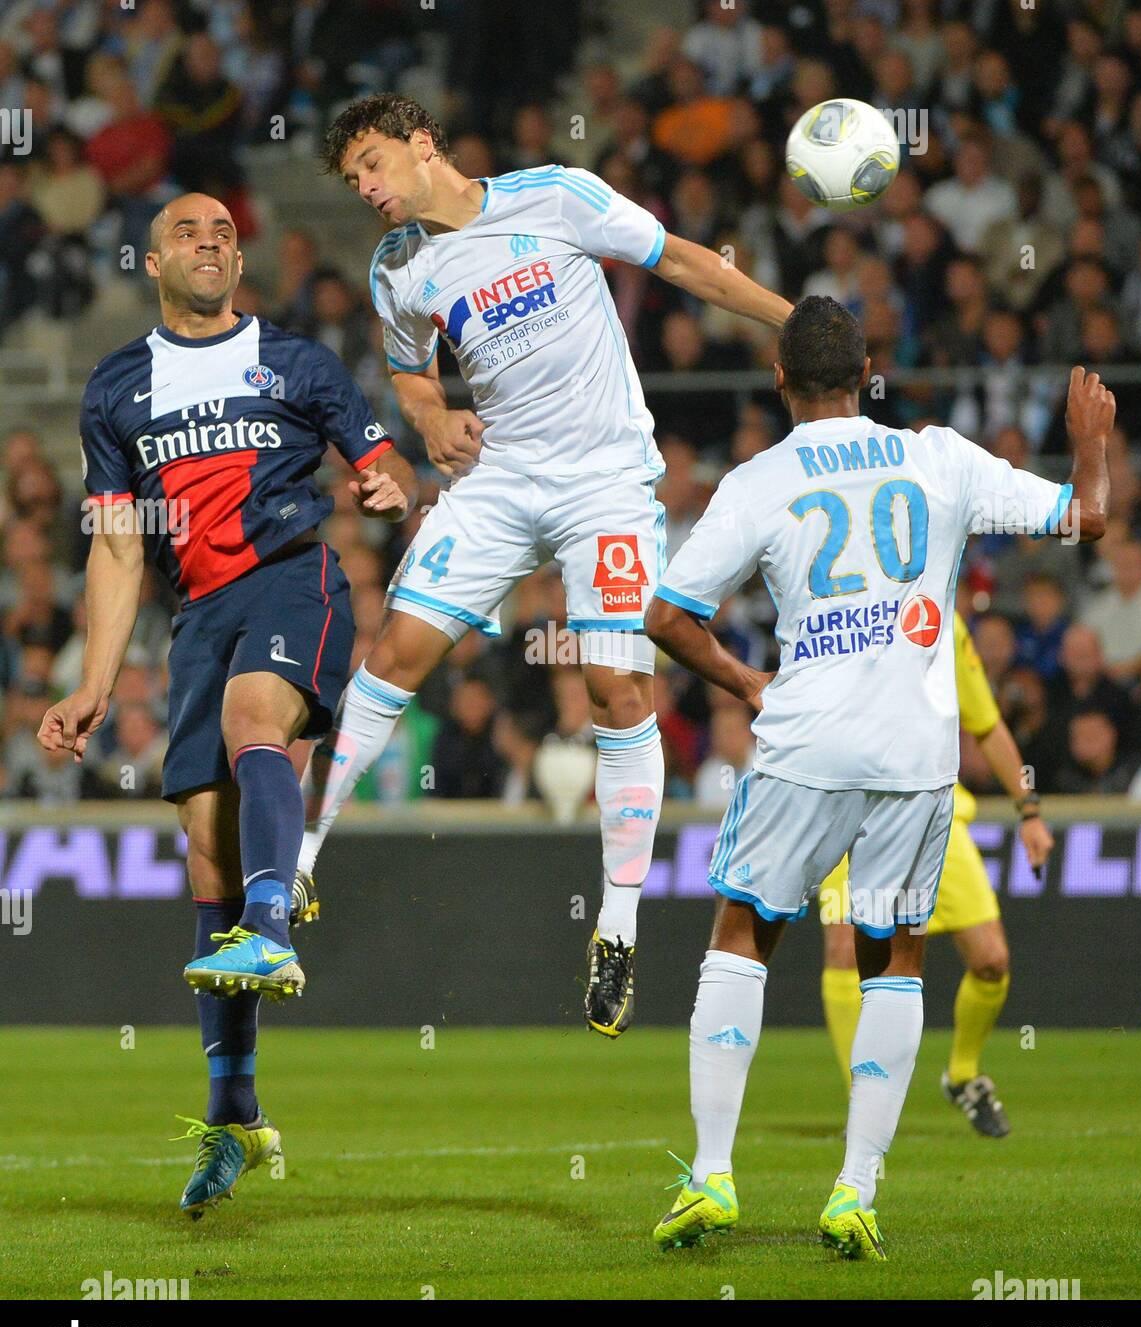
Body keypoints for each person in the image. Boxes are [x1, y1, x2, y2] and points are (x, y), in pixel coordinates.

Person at [292, 94, 793, 1038]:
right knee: (396, 652)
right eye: (351, 178)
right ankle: (305, 859)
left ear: (422, 146)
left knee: (615, 687)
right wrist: (432, 415)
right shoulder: (398, 266)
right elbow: (407, 368)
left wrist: (791, 320)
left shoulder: (557, 196)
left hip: (603, 481)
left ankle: (616, 925)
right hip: (498, 477)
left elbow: (680, 261)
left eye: (370, 164)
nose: (364, 188)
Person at [644, 296, 1110, 1259]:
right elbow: (1084, 518)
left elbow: (668, 616)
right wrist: (1087, 447)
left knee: (742, 936)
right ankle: (853, 1193)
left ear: (778, 380)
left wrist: (746, 683)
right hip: (914, 755)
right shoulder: (938, 457)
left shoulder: (759, 479)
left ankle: (712, 1177)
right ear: (869, 373)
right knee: (894, 958)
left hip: (805, 745)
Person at [37, 193, 417, 1219]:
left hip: (294, 577)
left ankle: (272, 917)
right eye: (188, 233)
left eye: (223, 234)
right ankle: (235, 1114)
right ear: (152, 258)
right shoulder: (119, 389)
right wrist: (94, 681)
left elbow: (383, 463)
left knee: (261, 722)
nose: (209, 242)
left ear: (239, 259)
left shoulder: (297, 363)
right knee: (206, 852)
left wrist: (389, 486)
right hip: (198, 616)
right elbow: (117, 547)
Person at [819, 610, 1055, 1139]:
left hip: (935, 812)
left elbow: (987, 724)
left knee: (992, 961)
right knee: (842, 949)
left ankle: (963, 1074)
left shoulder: (944, 623)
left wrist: (1029, 811)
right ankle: (861, 1094)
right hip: (852, 806)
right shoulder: (843, 605)